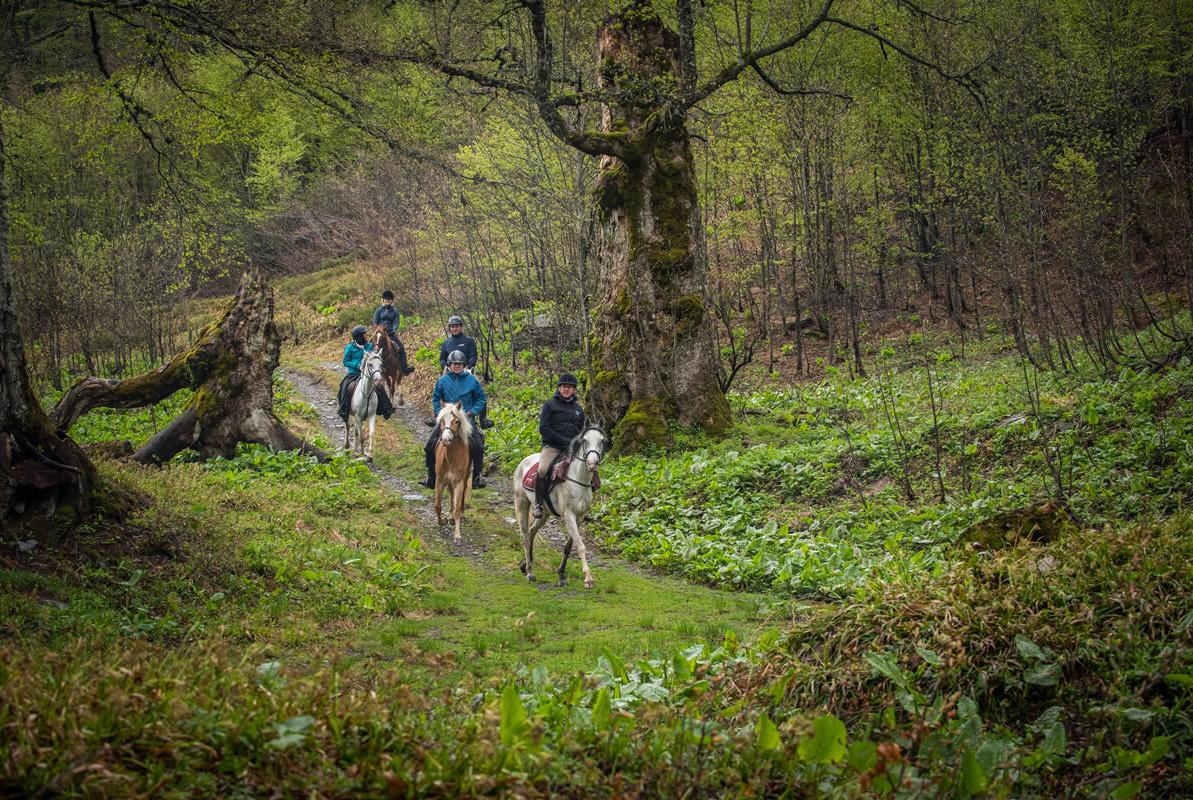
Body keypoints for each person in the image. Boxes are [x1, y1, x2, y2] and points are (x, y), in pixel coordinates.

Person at [421, 349, 487, 489]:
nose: (457, 366)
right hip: (446, 420)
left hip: (466, 420)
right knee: (430, 445)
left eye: (459, 364)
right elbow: (435, 399)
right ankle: (431, 476)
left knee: (478, 446)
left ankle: (477, 476)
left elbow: (481, 399)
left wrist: (472, 412)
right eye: (454, 364)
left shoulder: (472, 380)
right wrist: (440, 414)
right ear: (449, 365)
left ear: (463, 365)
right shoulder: (442, 381)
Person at [533, 373, 585, 518]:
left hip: (573, 448)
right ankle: (538, 504)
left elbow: (581, 429)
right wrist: (563, 441)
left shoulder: (578, 408)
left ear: (574, 390)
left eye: (570, 387)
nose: (567, 389)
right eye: (564, 387)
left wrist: (577, 442)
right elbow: (544, 428)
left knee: (588, 470)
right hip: (553, 447)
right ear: (559, 388)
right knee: (543, 470)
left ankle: (583, 504)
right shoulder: (549, 405)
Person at [437, 314, 493, 429]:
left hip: (466, 369)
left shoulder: (469, 341)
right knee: (439, 388)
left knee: (479, 390)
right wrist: (446, 366)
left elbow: (473, 355)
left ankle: (483, 419)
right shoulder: (446, 343)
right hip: (450, 370)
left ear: (461, 327)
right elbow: (442, 358)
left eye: (457, 326)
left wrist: (468, 366)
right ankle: (436, 417)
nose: (455, 328)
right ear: (450, 328)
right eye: (452, 327)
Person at [339, 325, 396, 421]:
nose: (366, 336)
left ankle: (387, 409)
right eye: (363, 334)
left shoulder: (369, 346)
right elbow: (345, 361)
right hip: (354, 374)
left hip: (367, 374)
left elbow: (373, 358)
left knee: (379, 387)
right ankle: (343, 410)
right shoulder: (350, 347)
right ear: (358, 336)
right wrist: (357, 364)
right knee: (344, 386)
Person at [373, 290, 415, 375]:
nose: (387, 300)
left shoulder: (395, 311)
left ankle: (404, 368)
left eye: (389, 299)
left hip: (390, 334)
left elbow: (396, 322)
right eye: (386, 299)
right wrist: (377, 330)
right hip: (379, 333)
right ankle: (367, 367)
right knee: (370, 347)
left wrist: (394, 330)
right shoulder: (379, 310)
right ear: (383, 300)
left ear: (392, 300)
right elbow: (375, 321)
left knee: (401, 348)